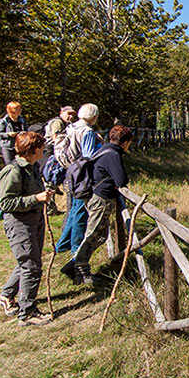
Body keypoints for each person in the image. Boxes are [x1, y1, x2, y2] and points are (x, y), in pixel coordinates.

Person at [0, 131, 55, 326]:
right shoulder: (13, 171)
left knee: (28, 261)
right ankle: (27, 312)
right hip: (20, 224)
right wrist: (36, 199)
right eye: (41, 147)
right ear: (33, 150)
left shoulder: (33, 167)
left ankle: (7, 295)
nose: (44, 150)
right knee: (30, 265)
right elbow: (6, 203)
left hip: (34, 220)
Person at [72, 125, 133, 285]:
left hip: (93, 195)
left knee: (99, 235)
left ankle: (75, 264)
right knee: (93, 235)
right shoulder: (113, 155)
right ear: (125, 142)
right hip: (100, 199)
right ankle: (80, 271)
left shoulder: (104, 149)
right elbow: (121, 180)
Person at [55, 103, 102, 278]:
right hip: (82, 175)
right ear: (94, 116)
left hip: (71, 172)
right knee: (81, 212)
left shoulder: (71, 127)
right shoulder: (87, 131)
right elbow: (88, 155)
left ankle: (62, 244)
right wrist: (102, 148)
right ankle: (76, 249)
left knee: (74, 210)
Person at [40, 106, 77, 216]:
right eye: (68, 113)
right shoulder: (58, 122)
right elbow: (56, 138)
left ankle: (50, 208)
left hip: (52, 153)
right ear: (62, 112)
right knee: (50, 180)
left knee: (52, 181)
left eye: (73, 114)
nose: (70, 116)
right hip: (50, 153)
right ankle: (49, 209)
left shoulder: (64, 123)